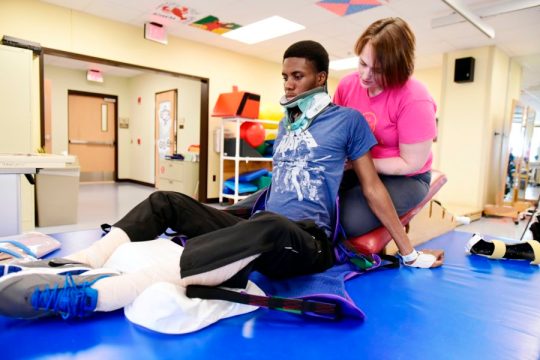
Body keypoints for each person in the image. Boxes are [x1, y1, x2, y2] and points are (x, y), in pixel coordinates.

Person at [0, 40, 442, 321]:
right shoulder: (287, 125)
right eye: (284, 76)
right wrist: (234, 210)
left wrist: (407, 249)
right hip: (262, 224)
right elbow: (276, 185)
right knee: (168, 201)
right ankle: (86, 263)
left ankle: (98, 296)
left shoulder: (347, 122)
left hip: (308, 243)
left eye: (297, 76)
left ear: (320, 77)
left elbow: (371, 188)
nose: (288, 85)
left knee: (267, 226)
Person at [333, 17, 442, 265]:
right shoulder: (348, 85)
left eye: (378, 70)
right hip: (357, 167)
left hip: (405, 177)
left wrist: (358, 163)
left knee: (343, 220)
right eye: (362, 63)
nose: (366, 75)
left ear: (396, 69)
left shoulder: (415, 98)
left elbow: (410, 163)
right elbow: (336, 132)